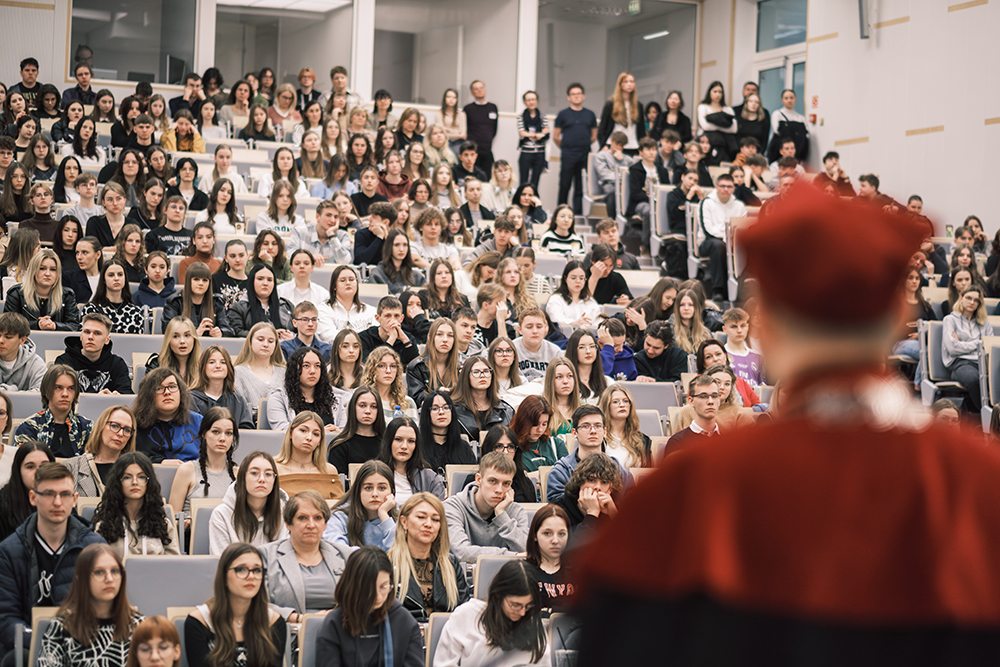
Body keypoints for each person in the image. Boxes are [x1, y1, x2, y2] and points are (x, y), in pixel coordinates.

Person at [0, 462, 105, 664]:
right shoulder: (8, 551)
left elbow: (106, 608)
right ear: (33, 498)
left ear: (74, 500)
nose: (58, 502)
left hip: (84, 645)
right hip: (29, 647)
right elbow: (6, 619)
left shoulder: (95, 548)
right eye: (49, 494)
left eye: (65, 494)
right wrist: (48, 642)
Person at [35, 543, 142, 667]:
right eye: (99, 572)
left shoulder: (138, 625)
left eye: (114, 571)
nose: (109, 579)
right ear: (81, 579)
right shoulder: (61, 628)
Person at [315, 545, 424, 665]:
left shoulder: (404, 621)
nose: (378, 596)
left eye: (384, 587)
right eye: (370, 589)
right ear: (354, 586)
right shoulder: (334, 624)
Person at [184, 543, 287, 667]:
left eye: (257, 570)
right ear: (224, 576)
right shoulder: (199, 622)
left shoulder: (274, 622)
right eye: (241, 569)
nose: (251, 576)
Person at [259, 490, 352, 626]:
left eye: (318, 518)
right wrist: (299, 618)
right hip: (287, 635)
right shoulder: (266, 555)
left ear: (325, 524)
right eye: (302, 518)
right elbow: (255, 603)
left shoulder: (346, 556)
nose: (311, 525)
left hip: (339, 632)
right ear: (288, 524)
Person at [434, 559, 548, 667]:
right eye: (515, 605)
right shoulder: (466, 615)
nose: (523, 612)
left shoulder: (532, 622)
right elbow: (443, 664)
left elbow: (545, 663)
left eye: (528, 606)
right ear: (498, 595)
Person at [442, 450, 529, 564]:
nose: (499, 490)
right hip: (463, 579)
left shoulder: (516, 511)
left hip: (507, 578)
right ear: (479, 479)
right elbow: (462, 552)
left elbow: (527, 549)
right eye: (493, 481)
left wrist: (502, 515)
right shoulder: (452, 507)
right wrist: (514, 556)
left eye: (506, 484)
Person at [92, 452, 179, 556]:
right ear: (118, 482)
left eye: (141, 477)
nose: (135, 482)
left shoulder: (163, 524)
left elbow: (174, 566)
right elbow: (96, 565)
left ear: (149, 482)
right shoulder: (104, 524)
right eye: (127, 477)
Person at [167, 407, 238, 527]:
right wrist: (184, 524)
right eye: (216, 431)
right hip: (191, 540)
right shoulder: (187, 470)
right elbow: (171, 522)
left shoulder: (240, 474)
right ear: (204, 434)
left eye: (228, 433)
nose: (222, 438)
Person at [208, 450, 288, 555]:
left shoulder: (285, 513)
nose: (262, 479)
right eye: (254, 473)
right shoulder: (221, 514)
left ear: (274, 480)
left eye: (268, 474)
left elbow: (286, 560)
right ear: (242, 477)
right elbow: (221, 562)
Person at [14, 366, 92, 455]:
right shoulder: (29, 427)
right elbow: (29, 463)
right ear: (47, 390)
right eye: (58, 387)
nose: (65, 394)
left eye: (71, 388)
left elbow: (90, 464)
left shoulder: (87, 427)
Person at [133, 368, 203, 463]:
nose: (167, 392)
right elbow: (129, 459)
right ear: (148, 395)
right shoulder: (135, 424)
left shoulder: (198, 422)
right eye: (159, 388)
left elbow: (216, 459)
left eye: (172, 386)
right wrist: (161, 463)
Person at [323, 459, 397, 549]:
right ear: (358, 491)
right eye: (368, 488)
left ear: (392, 492)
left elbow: (400, 555)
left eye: (381, 488)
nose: (375, 494)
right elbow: (337, 550)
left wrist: (384, 516)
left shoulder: (399, 520)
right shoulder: (340, 518)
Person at [943, 284, 992, 412]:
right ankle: (989, 417)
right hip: (960, 364)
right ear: (961, 297)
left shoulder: (984, 323)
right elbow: (952, 348)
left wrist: (963, 344)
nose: (972, 302)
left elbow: (990, 347)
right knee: (975, 380)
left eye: (976, 300)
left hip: (983, 364)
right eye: (969, 298)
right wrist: (978, 343)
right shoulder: (950, 320)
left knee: (992, 379)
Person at [54, 313, 132, 394]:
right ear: (81, 336)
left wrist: (116, 396)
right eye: (87, 332)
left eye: (97, 333)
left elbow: (126, 394)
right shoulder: (64, 361)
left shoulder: (117, 364)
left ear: (107, 340)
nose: (90, 337)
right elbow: (57, 393)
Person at [378, 415, 447, 507]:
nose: (404, 446)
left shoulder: (430, 478)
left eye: (411, 441)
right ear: (389, 441)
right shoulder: (374, 474)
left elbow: (438, 513)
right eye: (398, 439)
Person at [5, 249, 81, 331]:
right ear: (33, 271)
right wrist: (37, 325)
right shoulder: (16, 293)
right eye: (42, 268)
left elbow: (74, 326)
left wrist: (55, 326)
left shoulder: (67, 296)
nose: (47, 274)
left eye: (53, 269)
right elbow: (9, 326)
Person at [553, 451, 622, 540]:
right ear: (580, 482)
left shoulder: (617, 506)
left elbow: (632, 546)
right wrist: (591, 514)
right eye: (592, 480)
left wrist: (614, 515)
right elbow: (571, 551)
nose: (598, 487)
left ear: (611, 487)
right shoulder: (558, 509)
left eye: (604, 482)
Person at [551, 82, 597, 215]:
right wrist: (567, 147)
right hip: (568, 154)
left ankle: (578, 214)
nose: (576, 96)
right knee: (565, 185)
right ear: (568, 97)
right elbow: (556, 136)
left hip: (584, 154)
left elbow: (594, 136)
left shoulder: (590, 114)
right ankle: (560, 212)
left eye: (578, 94)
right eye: (573, 94)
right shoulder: (563, 114)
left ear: (583, 96)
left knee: (581, 187)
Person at [267, 347, 338, 432]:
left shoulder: (334, 399)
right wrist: (320, 433)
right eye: (306, 366)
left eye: (317, 366)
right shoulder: (279, 398)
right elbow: (281, 432)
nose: (312, 371)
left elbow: (345, 431)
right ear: (294, 369)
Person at [0, 443, 55, 542]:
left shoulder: (63, 498)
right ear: (18, 470)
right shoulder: (3, 501)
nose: (38, 472)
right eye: (30, 467)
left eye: (44, 466)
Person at [273, 412, 337, 497]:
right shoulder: (273, 468)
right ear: (291, 433)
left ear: (319, 442)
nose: (309, 438)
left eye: (316, 434)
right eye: (303, 430)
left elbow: (338, 507)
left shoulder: (329, 471)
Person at [523, 504, 573, 612]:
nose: (555, 540)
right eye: (547, 533)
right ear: (535, 536)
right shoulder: (522, 572)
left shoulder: (581, 571)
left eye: (561, 534)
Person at [190, 346, 255, 430]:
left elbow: (246, 435)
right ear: (203, 367)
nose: (218, 366)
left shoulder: (239, 401)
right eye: (212, 362)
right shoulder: (191, 399)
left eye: (223, 362)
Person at [233, 323, 286, 425]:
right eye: (260, 339)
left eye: (271, 341)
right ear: (250, 342)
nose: (265, 344)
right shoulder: (238, 372)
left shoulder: (285, 372)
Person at [163, 262, 232, 338]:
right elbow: (168, 329)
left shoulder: (217, 302)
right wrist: (192, 333)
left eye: (205, 280)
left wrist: (221, 332)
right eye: (196, 279)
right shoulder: (174, 301)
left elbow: (229, 329)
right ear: (188, 281)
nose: (201, 283)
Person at [229, 263, 294, 339]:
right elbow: (236, 332)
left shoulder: (286, 305)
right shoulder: (238, 308)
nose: (265, 283)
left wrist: (293, 337)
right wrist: (268, 335)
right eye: (260, 279)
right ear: (251, 281)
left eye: (269, 280)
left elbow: (300, 330)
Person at [406, 317, 459, 408]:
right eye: (439, 334)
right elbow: (418, 399)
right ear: (430, 337)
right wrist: (439, 395)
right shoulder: (416, 367)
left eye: (450, 335)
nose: (445, 339)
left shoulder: (460, 368)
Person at [79, 261, 144, 334]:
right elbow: (84, 339)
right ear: (103, 279)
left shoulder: (136, 312)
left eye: (120, 274)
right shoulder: (91, 309)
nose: (116, 278)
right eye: (111, 275)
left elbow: (139, 343)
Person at [317, 265, 375, 341]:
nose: (348, 283)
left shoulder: (370, 311)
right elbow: (329, 336)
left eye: (351, 279)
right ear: (334, 286)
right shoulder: (324, 309)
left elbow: (375, 336)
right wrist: (363, 335)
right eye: (342, 280)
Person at [360, 345, 418, 421]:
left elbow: (413, 432)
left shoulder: (407, 403)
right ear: (372, 369)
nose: (388, 371)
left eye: (393, 366)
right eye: (382, 366)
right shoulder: (361, 401)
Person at [0, 312, 45, 392]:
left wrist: (10, 392)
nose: (1, 341)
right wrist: (12, 390)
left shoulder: (35, 363)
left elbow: (41, 393)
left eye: (8, 337)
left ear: (22, 340)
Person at [722, 307, 765, 389]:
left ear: (748, 327)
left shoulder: (758, 357)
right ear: (725, 329)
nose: (739, 330)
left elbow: (764, 387)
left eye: (743, 326)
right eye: (734, 327)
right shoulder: (720, 356)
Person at [767, 88, 809, 162]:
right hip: (779, 156)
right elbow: (776, 131)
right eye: (786, 98)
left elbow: (806, 137)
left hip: (797, 156)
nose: (789, 100)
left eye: (791, 98)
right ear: (782, 100)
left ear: (795, 99)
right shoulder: (777, 114)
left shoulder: (801, 118)